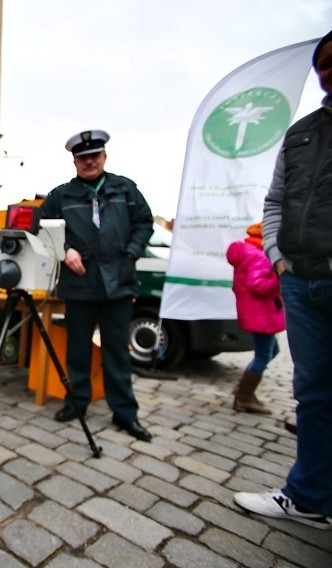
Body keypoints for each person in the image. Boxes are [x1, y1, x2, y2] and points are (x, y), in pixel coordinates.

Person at [234, 31, 332, 529]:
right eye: (325, 63)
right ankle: (311, 495)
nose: (330, 69)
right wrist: (278, 259)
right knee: (311, 389)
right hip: (300, 280)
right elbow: (276, 202)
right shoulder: (303, 133)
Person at [38, 129, 154, 442]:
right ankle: (77, 403)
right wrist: (64, 251)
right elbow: (40, 227)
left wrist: (132, 252)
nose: (89, 162)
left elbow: (145, 223)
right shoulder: (61, 195)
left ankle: (125, 414)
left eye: (94, 156)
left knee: (117, 351)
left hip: (119, 282)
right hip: (80, 284)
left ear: (104, 157)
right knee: (78, 349)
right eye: (82, 158)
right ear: (74, 161)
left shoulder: (125, 188)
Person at [226, 222, 285, 414]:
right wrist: (279, 278)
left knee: (272, 351)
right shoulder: (259, 256)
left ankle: (244, 389)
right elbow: (257, 285)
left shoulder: (250, 251)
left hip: (259, 312)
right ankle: (243, 397)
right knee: (264, 355)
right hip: (261, 314)